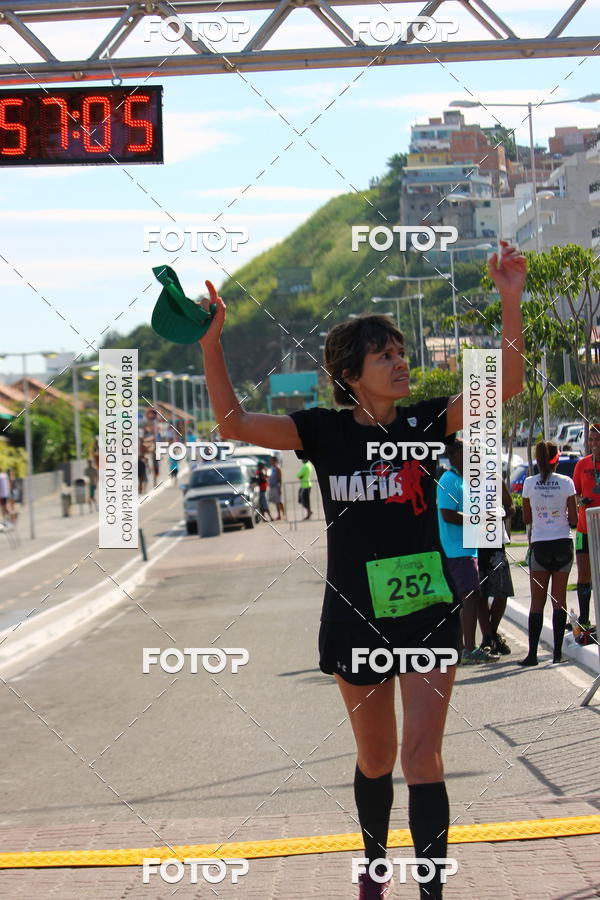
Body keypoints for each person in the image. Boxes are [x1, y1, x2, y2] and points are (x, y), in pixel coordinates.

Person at [195, 240, 526, 899]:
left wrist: (510, 299)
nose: (401, 364)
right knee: (376, 757)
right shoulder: (323, 431)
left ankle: (431, 889)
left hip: (427, 607)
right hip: (356, 615)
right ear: (352, 373)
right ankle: (375, 868)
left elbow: (507, 386)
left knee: (423, 757)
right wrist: (211, 341)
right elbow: (231, 423)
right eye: (386, 356)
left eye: (401, 354)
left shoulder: (428, 420)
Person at [437, 440, 499, 664]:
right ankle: (468, 649)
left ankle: (464, 647)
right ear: (454, 456)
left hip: (467, 548)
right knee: (470, 598)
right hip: (457, 550)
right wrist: (477, 518)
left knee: (472, 597)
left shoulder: (461, 481)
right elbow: (447, 514)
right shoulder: (449, 480)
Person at [520, 440, 578, 666]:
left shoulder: (529, 484)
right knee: (559, 600)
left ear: (537, 460)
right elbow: (573, 519)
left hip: (541, 545)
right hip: (563, 544)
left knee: (537, 602)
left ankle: (532, 655)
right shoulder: (566, 483)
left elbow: (526, 519)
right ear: (556, 459)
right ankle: (556, 654)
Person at [477, 480, 515, 655]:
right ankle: (487, 637)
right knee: (481, 594)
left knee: (502, 592)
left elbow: (511, 507)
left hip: (496, 545)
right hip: (475, 544)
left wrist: (499, 516)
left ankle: (492, 632)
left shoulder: (494, 478)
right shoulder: (465, 480)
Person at [572, 424, 600, 633]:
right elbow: (574, 494)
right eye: (591, 440)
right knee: (584, 575)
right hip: (584, 528)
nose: (594, 444)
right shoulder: (582, 464)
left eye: (597, 440)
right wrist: (581, 500)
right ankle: (583, 619)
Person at [268, 454, 285, 520]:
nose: (270, 462)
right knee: (276, 502)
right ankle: (279, 515)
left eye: (272, 460)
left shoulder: (277, 468)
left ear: (275, 461)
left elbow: (279, 479)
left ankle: (283, 514)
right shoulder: (272, 468)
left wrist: (279, 488)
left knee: (279, 501)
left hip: (276, 487)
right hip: (272, 487)